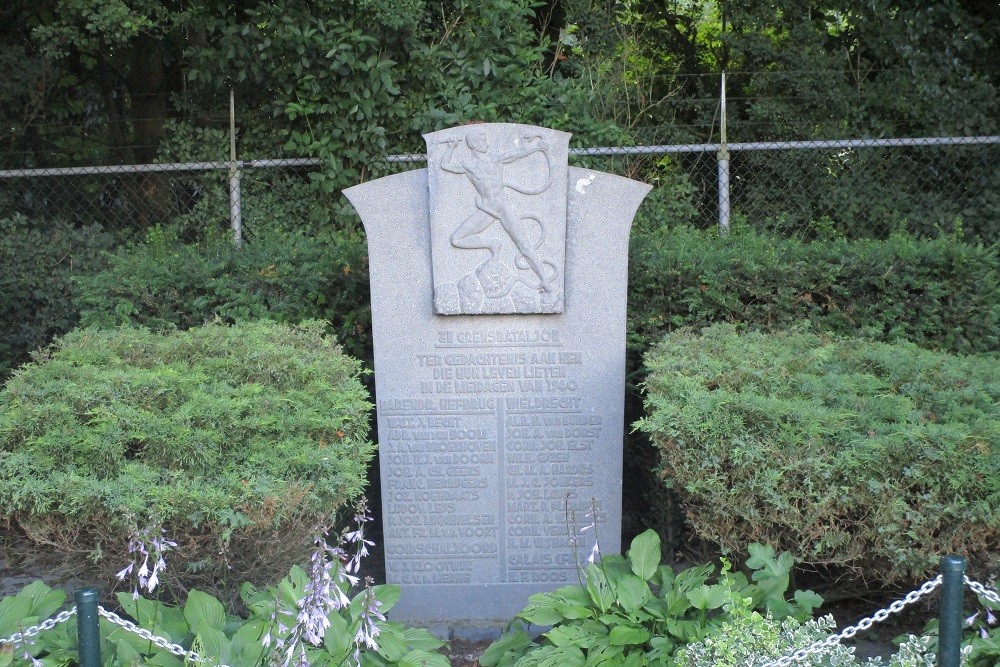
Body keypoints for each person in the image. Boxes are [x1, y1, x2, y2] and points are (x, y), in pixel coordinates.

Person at [438, 130, 555, 291]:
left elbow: (517, 153)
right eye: (481, 138)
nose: (485, 141)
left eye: (485, 138)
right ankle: (492, 244)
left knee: (525, 245)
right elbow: (445, 165)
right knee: (457, 239)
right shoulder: (468, 165)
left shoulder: (495, 158)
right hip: (487, 209)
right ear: (472, 144)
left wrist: (537, 146)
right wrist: (451, 147)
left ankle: (546, 282)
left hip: (503, 206)